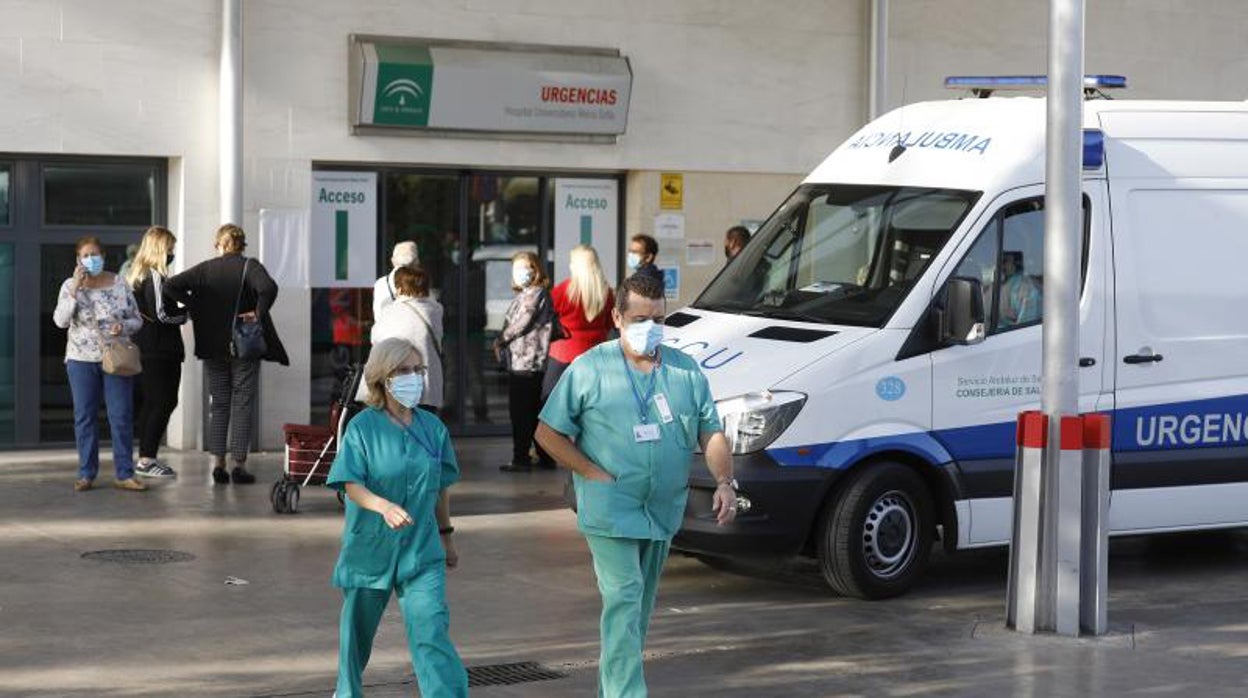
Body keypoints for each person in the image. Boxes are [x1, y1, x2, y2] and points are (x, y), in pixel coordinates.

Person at [534, 273, 737, 697]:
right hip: (611, 509)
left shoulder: (684, 371)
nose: (651, 327)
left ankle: (614, 689)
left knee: (637, 611)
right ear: (618, 318)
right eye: (641, 318)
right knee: (624, 599)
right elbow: (547, 433)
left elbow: (710, 432)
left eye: (658, 318)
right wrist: (590, 472)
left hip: (661, 510)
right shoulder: (590, 368)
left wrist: (724, 481)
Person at [327, 337, 467, 698]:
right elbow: (349, 484)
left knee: (431, 630)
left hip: (422, 551)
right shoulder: (362, 428)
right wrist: (381, 506)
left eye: (417, 370)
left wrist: (447, 535)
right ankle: (347, 693)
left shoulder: (433, 429)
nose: (413, 378)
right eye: (403, 371)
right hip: (370, 549)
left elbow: (440, 487)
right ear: (382, 378)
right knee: (356, 635)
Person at [165, 224, 289, 484]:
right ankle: (239, 465)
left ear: (219, 245)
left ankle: (218, 463)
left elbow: (171, 286)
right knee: (242, 403)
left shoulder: (205, 269)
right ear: (241, 245)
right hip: (245, 345)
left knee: (219, 404)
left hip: (212, 346)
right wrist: (258, 312)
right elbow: (269, 288)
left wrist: (194, 305)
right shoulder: (250, 266)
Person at [53, 236, 147, 492]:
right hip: (81, 360)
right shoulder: (69, 286)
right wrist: (74, 288)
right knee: (84, 417)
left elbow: (136, 319)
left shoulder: (119, 283)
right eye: (85, 255)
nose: (90, 259)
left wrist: (123, 326)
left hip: (115, 358)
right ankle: (86, 473)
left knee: (121, 416)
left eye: (95, 254)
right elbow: (60, 321)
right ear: (77, 260)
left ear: (103, 256)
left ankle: (125, 473)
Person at [126, 226, 186, 479]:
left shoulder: (136, 277)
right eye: (170, 249)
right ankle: (147, 459)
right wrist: (186, 314)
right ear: (160, 249)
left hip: (148, 349)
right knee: (164, 402)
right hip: (160, 350)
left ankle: (146, 457)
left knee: (152, 404)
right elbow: (162, 314)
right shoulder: (155, 277)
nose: (172, 253)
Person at [493, 251, 554, 472]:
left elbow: (523, 322)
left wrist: (500, 340)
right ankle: (544, 455)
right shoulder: (528, 293)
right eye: (517, 268)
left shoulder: (535, 293)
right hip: (524, 361)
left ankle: (522, 458)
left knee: (521, 412)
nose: (521, 272)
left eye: (526, 267)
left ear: (536, 269)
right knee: (531, 412)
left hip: (527, 362)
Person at [365, 265, 444, 414]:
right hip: (427, 385)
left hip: (397, 385)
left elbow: (376, 340)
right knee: (425, 429)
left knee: (397, 430)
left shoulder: (390, 312)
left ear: (400, 288)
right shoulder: (435, 310)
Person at [545, 244, 614, 399]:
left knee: (552, 400)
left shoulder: (563, 290)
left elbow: (548, 319)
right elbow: (610, 323)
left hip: (563, 355)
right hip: (595, 355)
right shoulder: (606, 292)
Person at [373, 241, 420, 322]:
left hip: (386, 332)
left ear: (393, 261)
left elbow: (378, 317)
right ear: (416, 262)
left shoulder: (380, 284)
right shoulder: (420, 282)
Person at [998, 250, 1042, 328]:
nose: (1002, 266)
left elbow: (1026, 327)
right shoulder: (1006, 283)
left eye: (1005, 261)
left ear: (1017, 263)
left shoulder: (1026, 288)